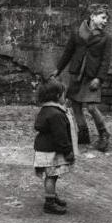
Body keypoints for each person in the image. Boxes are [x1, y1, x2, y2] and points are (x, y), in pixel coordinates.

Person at [50, 3, 112, 152]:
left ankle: (104, 134)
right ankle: (83, 133)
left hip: (92, 77)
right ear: (92, 16)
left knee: (91, 107)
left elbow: (106, 61)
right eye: (103, 18)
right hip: (77, 74)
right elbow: (68, 52)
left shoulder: (106, 38)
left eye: (107, 19)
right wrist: (58, 70)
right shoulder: (77, 33)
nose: (105, 21)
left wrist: (99, 78)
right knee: (76, 105)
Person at [33, 80, 79, 215]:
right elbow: (60, 136)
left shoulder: (45, 110)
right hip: (51, 150)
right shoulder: (57, 114)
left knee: (51, 175)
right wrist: (67, 151)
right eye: (64, 95)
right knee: (51, 176)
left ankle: (51, 195)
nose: (65, 98)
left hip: (44, 149)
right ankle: (49, 203)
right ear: (58, 95)